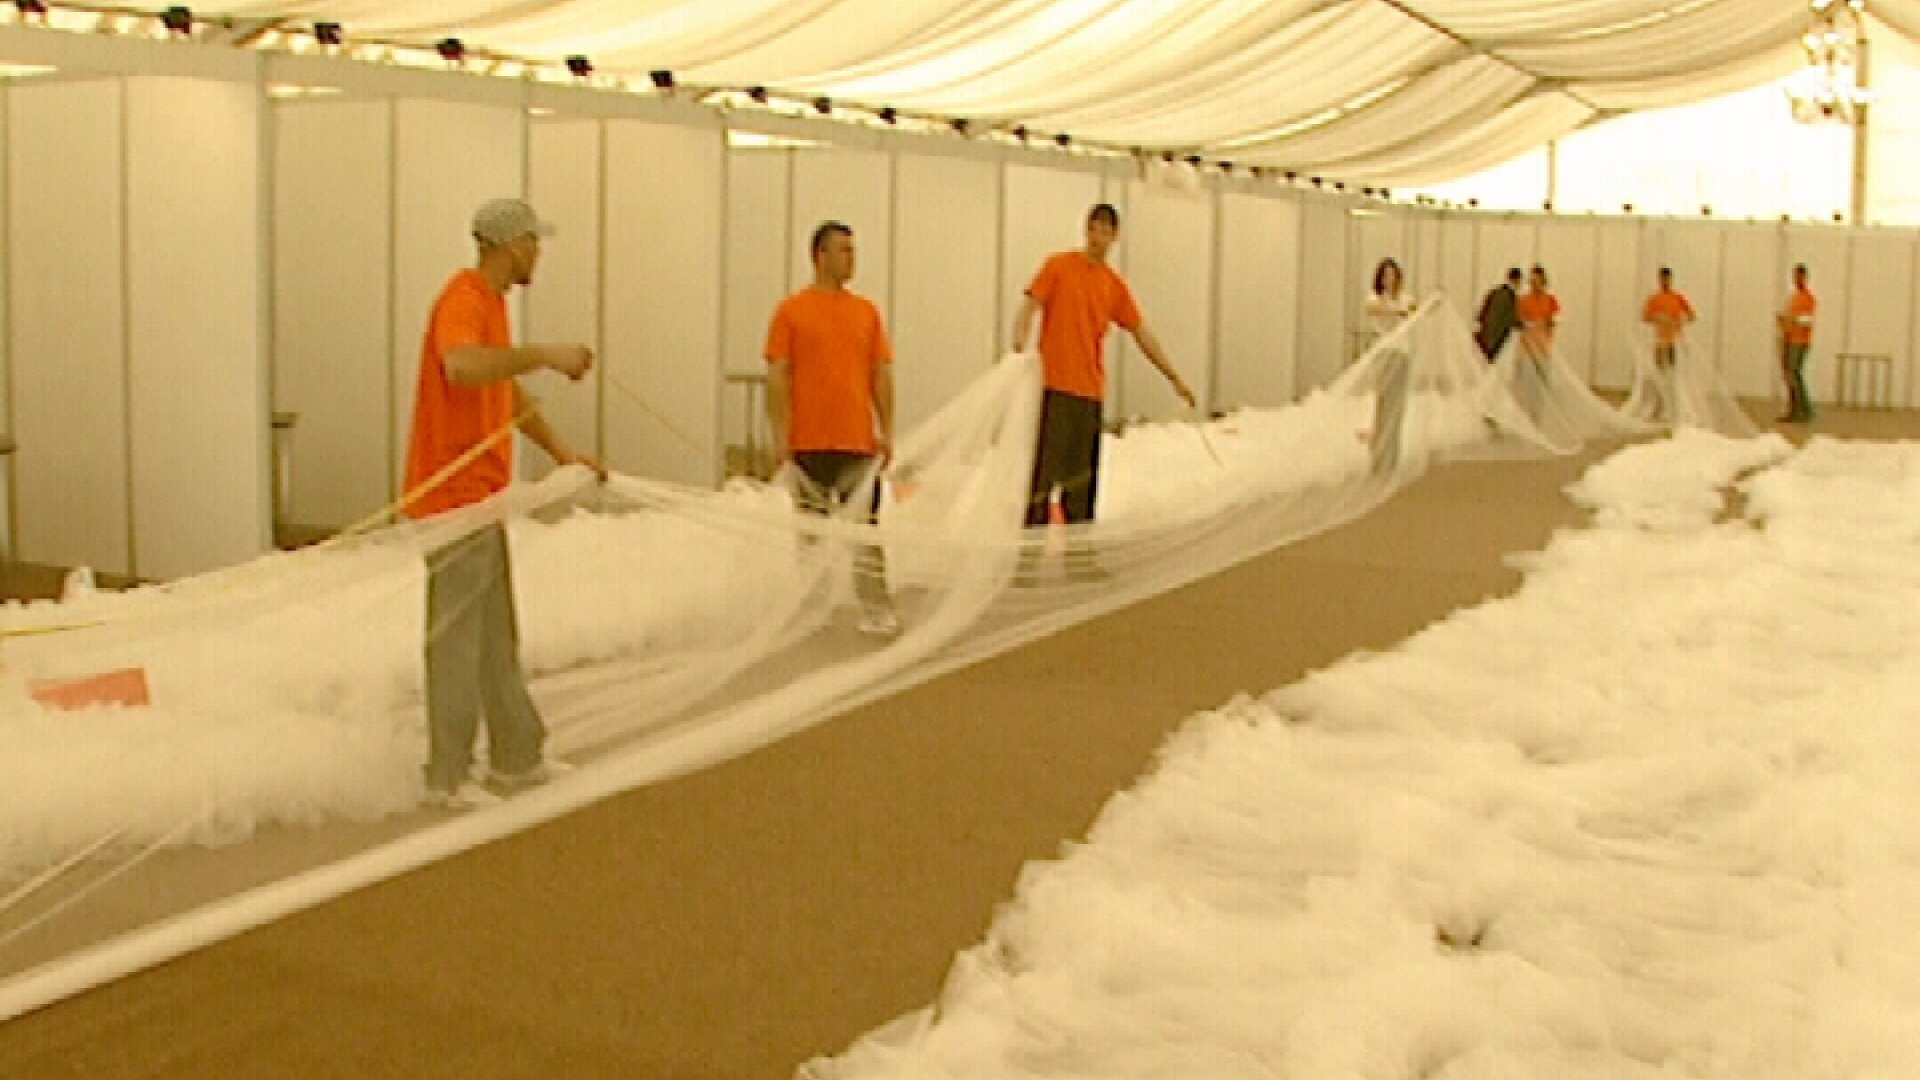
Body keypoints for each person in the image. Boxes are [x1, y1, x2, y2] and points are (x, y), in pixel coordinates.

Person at [404, 197, 599, 808]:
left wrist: (563, 453)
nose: (538, 252)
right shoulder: (463, 299)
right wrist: (546, 354)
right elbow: (462, 367)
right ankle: (447, 775)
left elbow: (503, 393)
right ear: (511, 245)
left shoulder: (490, 307)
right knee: (457, 639)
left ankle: (516, 755)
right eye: (534, 242)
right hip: (453, 499)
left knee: (493, 635)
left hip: (481, 499)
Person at [1011, 203, 1195, 581]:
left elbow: (1142, 332)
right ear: (1086, 230)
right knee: (1044, 477)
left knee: (1083, 480)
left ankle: (1079, 558)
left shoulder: (1113, 286)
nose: (1099, 237)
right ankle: (1026, 559)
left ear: (1115, 237)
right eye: (1094, 229)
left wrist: (1173, 376)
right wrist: (1019, 341)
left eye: (1107, 231)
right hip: (1056, 388)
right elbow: (1030, 304)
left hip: (1090, 392)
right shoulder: (1059, 266)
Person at [765, 220, 900, 637]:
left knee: (866, 532)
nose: (851, 258)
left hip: (857, 441)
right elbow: (778, 377)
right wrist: (780, 436)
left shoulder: (866, 313)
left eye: (853, 250)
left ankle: (876, 607)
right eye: (842, 250)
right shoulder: (791, 312)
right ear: (819, 256)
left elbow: (881, 374)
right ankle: (812, 608)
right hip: (809, 441)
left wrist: (888, 429)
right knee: (811, 533)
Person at [1364, 258, 1413, 475]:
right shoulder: (1375, 298)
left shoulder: (1405, 298)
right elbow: (1375, 309)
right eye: (1385, 275)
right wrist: (1395, 310)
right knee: (1382, 406)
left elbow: (1415, 310)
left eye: (1392, 275)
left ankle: (1392, 458)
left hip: (1402, 354)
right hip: (1385, 354)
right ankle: (1378, 458)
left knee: (1397, 407)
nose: (1389, 279)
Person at [1776, 263, 1817, 423]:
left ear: (1805, 277)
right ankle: (1795, 409)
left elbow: (1807, 320)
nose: (1796, 279)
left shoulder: (1809, 298)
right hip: (1790, 338)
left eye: (1799, 276)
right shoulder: (1795, 298)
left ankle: (1803, 409)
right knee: (1790, 375)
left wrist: (1791, 320)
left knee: (1795, 373)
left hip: (1800, 341)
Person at [1642, 266, 1696, 369]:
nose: (1665, 281)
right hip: (1660, 340)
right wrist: (1658, 318)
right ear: (1659, 279)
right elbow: (1645, 317)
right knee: (1659, 368)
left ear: (1670, 279)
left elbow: (1692, 315)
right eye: (1662, 279)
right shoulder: (1654, 298)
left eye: (1667, 278)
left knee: (1672, 368)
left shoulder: (1677, 297)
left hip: (1674, 340)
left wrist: (1682, 320)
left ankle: (1671, 383)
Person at [1476, 268, 1522, 360]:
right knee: (1487, 364)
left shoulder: (1495, 291)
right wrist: (1522, 324)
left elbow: (1480, 315)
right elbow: (1510, 318)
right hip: (1493, 338)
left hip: (1483, 335)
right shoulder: (1510, 296)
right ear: (1517, 280)